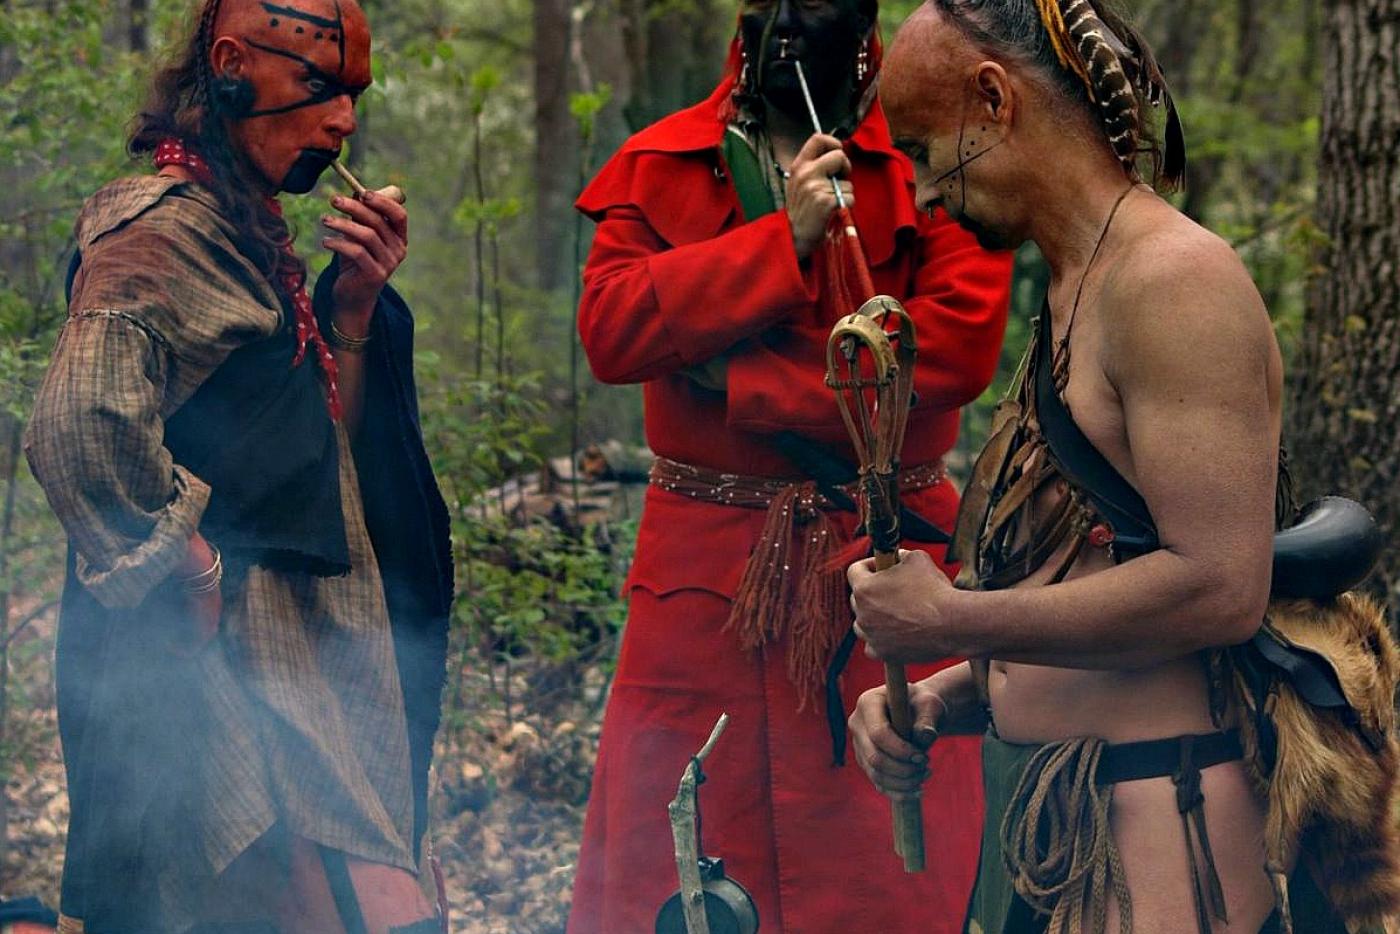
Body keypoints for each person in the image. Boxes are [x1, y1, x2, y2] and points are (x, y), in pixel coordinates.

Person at [847, 2, 1392, 932]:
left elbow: (1217, 586)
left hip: (1159, 845)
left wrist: (952, 618)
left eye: (926, 151)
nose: (924, 196)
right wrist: (955, 689)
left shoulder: (1174, 282)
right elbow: (1095, 578)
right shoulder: (1076, 282)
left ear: (993, 98)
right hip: (1059, 826)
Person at [567, 1, 1014, 930]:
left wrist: (726, 375)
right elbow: (613, 331)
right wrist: (785, 240)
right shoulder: (662, 161)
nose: (793, 26)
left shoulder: (936, 164)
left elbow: (956, 353)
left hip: (887, 558)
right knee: (676, 860)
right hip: (704, 579)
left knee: (884, 871)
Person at [23, 1, 452, 931]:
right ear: (229, 65)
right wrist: (191, 567)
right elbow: (76, 426)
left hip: (311, 645)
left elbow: (312, 441)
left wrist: (357, 304)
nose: (343, 121)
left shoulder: (251, 230)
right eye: (318, 87)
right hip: (215, 664)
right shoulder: (158, 235)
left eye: (353, 98)